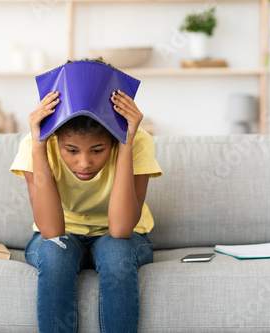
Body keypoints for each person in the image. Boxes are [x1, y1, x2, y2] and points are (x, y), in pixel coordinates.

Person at [10, 59, 162, 333]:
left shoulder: (136, 141)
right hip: (61, 235)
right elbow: (53, 232)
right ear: (56, 139)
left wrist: (125, 144)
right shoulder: (36, 145)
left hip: (120, 237)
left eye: (97, 150)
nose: (84, 163)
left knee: (116, 253)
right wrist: (38, 147)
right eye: (71, 150)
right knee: (56, 254)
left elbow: (121, 229)